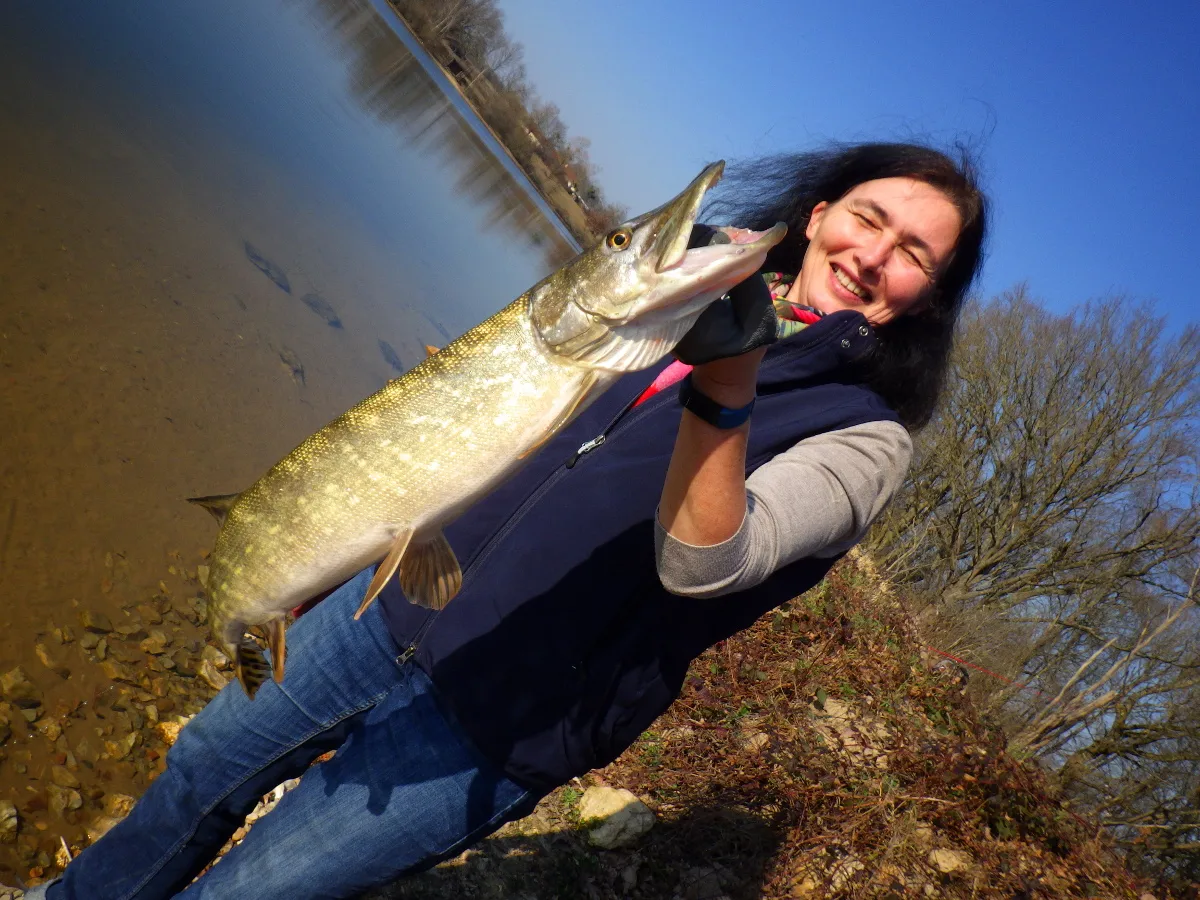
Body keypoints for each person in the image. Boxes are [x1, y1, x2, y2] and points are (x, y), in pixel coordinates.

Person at [27, 141, 987, 899]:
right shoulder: (673, 300)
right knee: (196, 768)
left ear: (927, 298)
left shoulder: (866, 439)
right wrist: (338, 536)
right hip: (392, 611)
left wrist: (729, 382)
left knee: (259, 888)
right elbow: (502, 440)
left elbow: (708, 562)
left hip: (503, 717)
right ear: (820, 216)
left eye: (914, 256)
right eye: (869, 218)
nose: (874, 256)